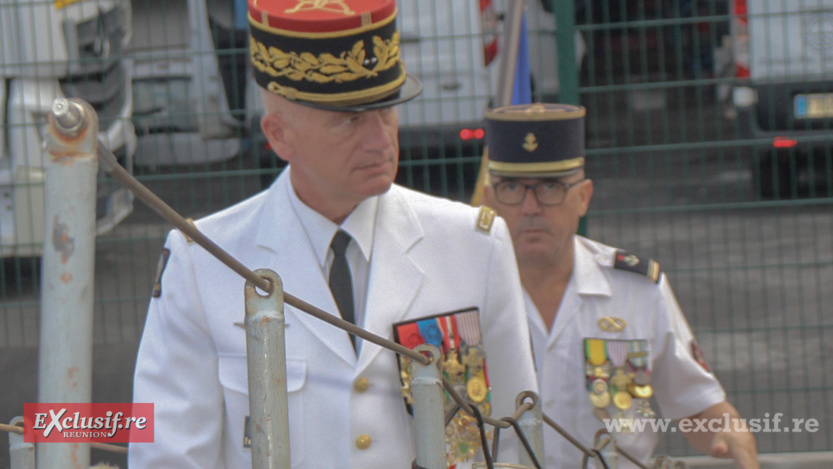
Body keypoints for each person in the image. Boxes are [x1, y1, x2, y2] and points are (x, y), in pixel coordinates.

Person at [129, 1, 538, 468]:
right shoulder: (204, 261)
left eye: (387, 111)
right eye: (349, 119)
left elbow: (517, 435)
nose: (381, 140)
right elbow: (169, 454)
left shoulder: (474, 246)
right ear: (279, 135)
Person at [481, 103, 759, 469]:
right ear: (489, 200)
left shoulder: (636, 291)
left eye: (551, 187)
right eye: (512, 187)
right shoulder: (463, 295)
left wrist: (731, 436)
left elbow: (698, 406)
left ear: (583, 196)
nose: (531, 207)